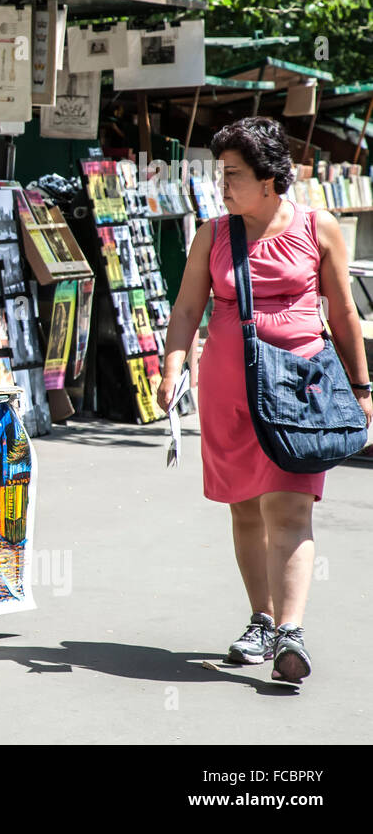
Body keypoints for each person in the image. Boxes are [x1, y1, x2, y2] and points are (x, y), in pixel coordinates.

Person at [157, 116, 372, 684]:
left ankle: (290, 632)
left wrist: (362, 386)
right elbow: (186, 311)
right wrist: (173, 368)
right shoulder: (214, 233)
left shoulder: (318, 228)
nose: (222, 185)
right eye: (220, 173)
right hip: (228, 394)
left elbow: (344, 314)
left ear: (270, 179)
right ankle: (262, 617)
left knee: (290, 506)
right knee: (245, 507)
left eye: (232, 174)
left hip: (300, 391)